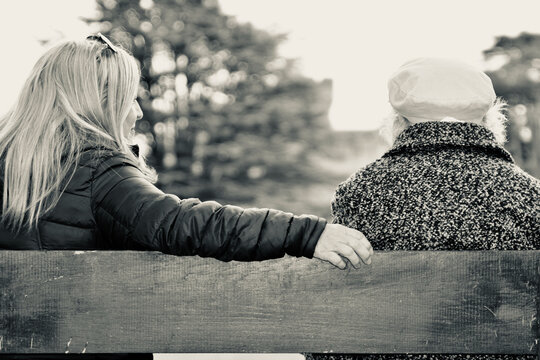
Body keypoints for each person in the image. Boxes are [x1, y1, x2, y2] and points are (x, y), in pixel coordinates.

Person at [0, 34, 372, 359]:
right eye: (129, 100)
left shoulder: (14, 163)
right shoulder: (97, 169)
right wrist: (304, 233)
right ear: (99, 103)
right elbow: (180, 222)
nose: (138, 112)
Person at [324, 57, 539, 360]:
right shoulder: (530, 195)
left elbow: (333, 315)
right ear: (489, 121)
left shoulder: (361, 190)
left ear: (398, 121)